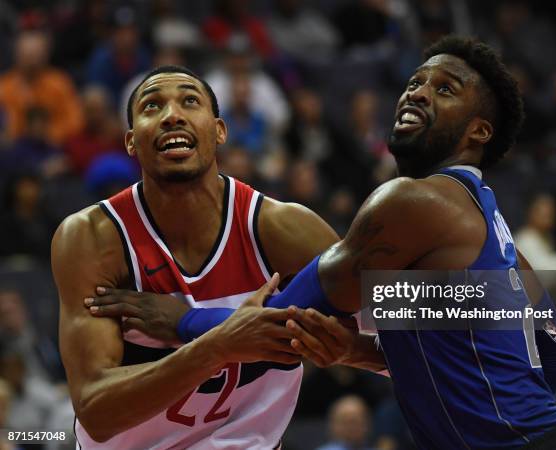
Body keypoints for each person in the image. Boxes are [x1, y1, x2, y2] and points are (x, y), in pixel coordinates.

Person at [103, 37, 556, 449]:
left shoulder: (413, 202)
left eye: (445, 89)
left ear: (479, 131)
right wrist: (355, 350)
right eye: (415, 82)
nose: (418, 93)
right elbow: (555, 354)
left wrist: (183, 318)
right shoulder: (493, 232)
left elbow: (286, 319)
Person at [52, 65, 385, 449]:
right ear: (130, 142)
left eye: (189, 101)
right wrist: (217, 345)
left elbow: (437, 324)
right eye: (152, 105)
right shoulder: (94, 237)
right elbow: (96, 412)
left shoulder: (283, 228)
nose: (172, 115)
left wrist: (352, 351)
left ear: (220, 130)